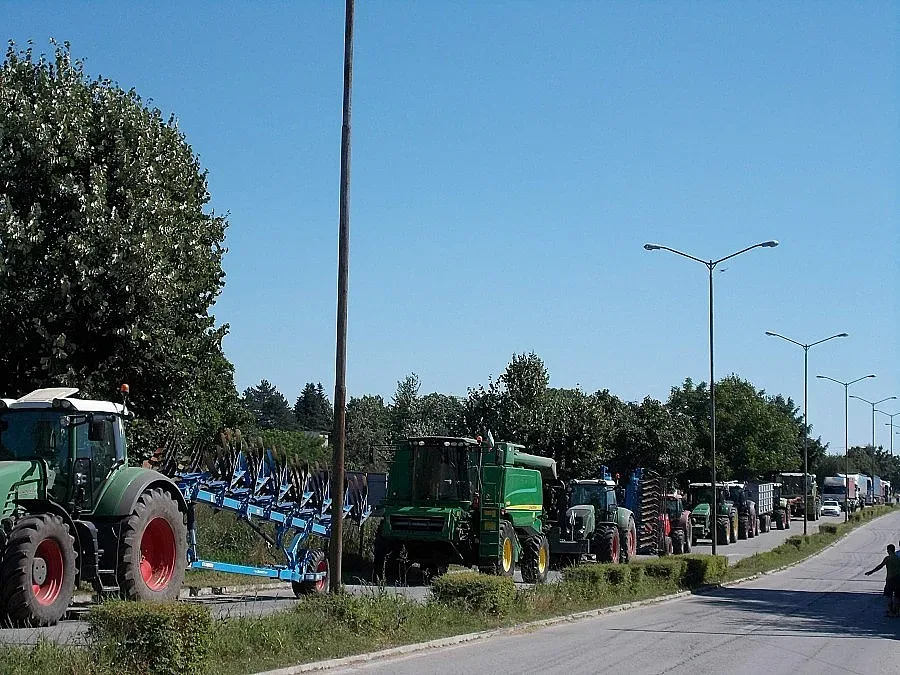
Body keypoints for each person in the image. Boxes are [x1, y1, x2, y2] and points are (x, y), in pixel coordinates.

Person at [865, 543, 900, 616]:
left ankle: (890, 612)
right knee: (897, 596)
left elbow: (880, 566)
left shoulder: (888, 558)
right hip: (898, 579)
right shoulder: (898, 558)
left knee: (889, 596)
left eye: (888, 550)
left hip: (890, 579)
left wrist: (871, 572)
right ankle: (896, 612)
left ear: (889, 550)